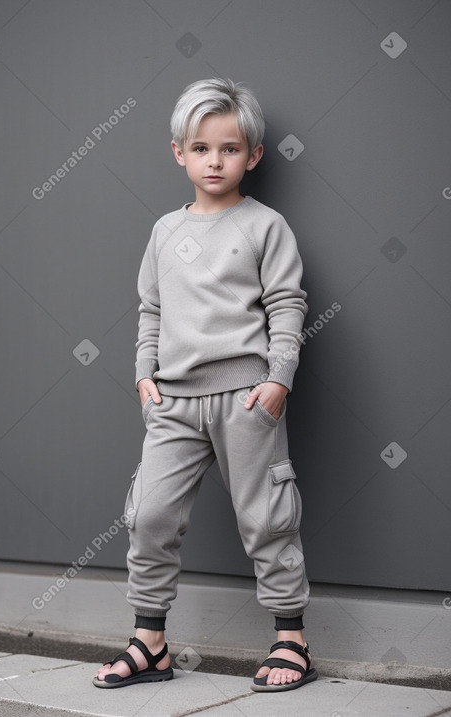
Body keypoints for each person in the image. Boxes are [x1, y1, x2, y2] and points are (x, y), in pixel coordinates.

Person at [93, 78, 317, 693]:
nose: (214, 161)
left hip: (247, 397)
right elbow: (150, 310)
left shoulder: (265, 225)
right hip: (172, 401)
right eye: (200, 148)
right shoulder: (165, 230)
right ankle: (150, 642)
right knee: (149, 516)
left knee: (267, 518)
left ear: (253, 155)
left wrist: (278, 381)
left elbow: (288, 305)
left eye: (229, 149)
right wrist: (144, 377)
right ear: (178, 153)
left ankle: (290, 639)